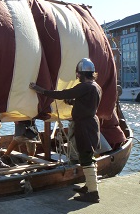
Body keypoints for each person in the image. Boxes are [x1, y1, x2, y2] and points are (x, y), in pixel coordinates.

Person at [29, 58, 102, 203]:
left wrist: (40, 90)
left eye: (78, 74)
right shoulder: (96, 86)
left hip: (85, 126)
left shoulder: (85, 87)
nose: (78, 77)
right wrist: (74, 102)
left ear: (81, 73)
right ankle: (89, 186)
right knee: (88, 155)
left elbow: (63, 94)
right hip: (90, 124)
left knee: (86, 157)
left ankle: (93, 193)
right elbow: (87, 102)